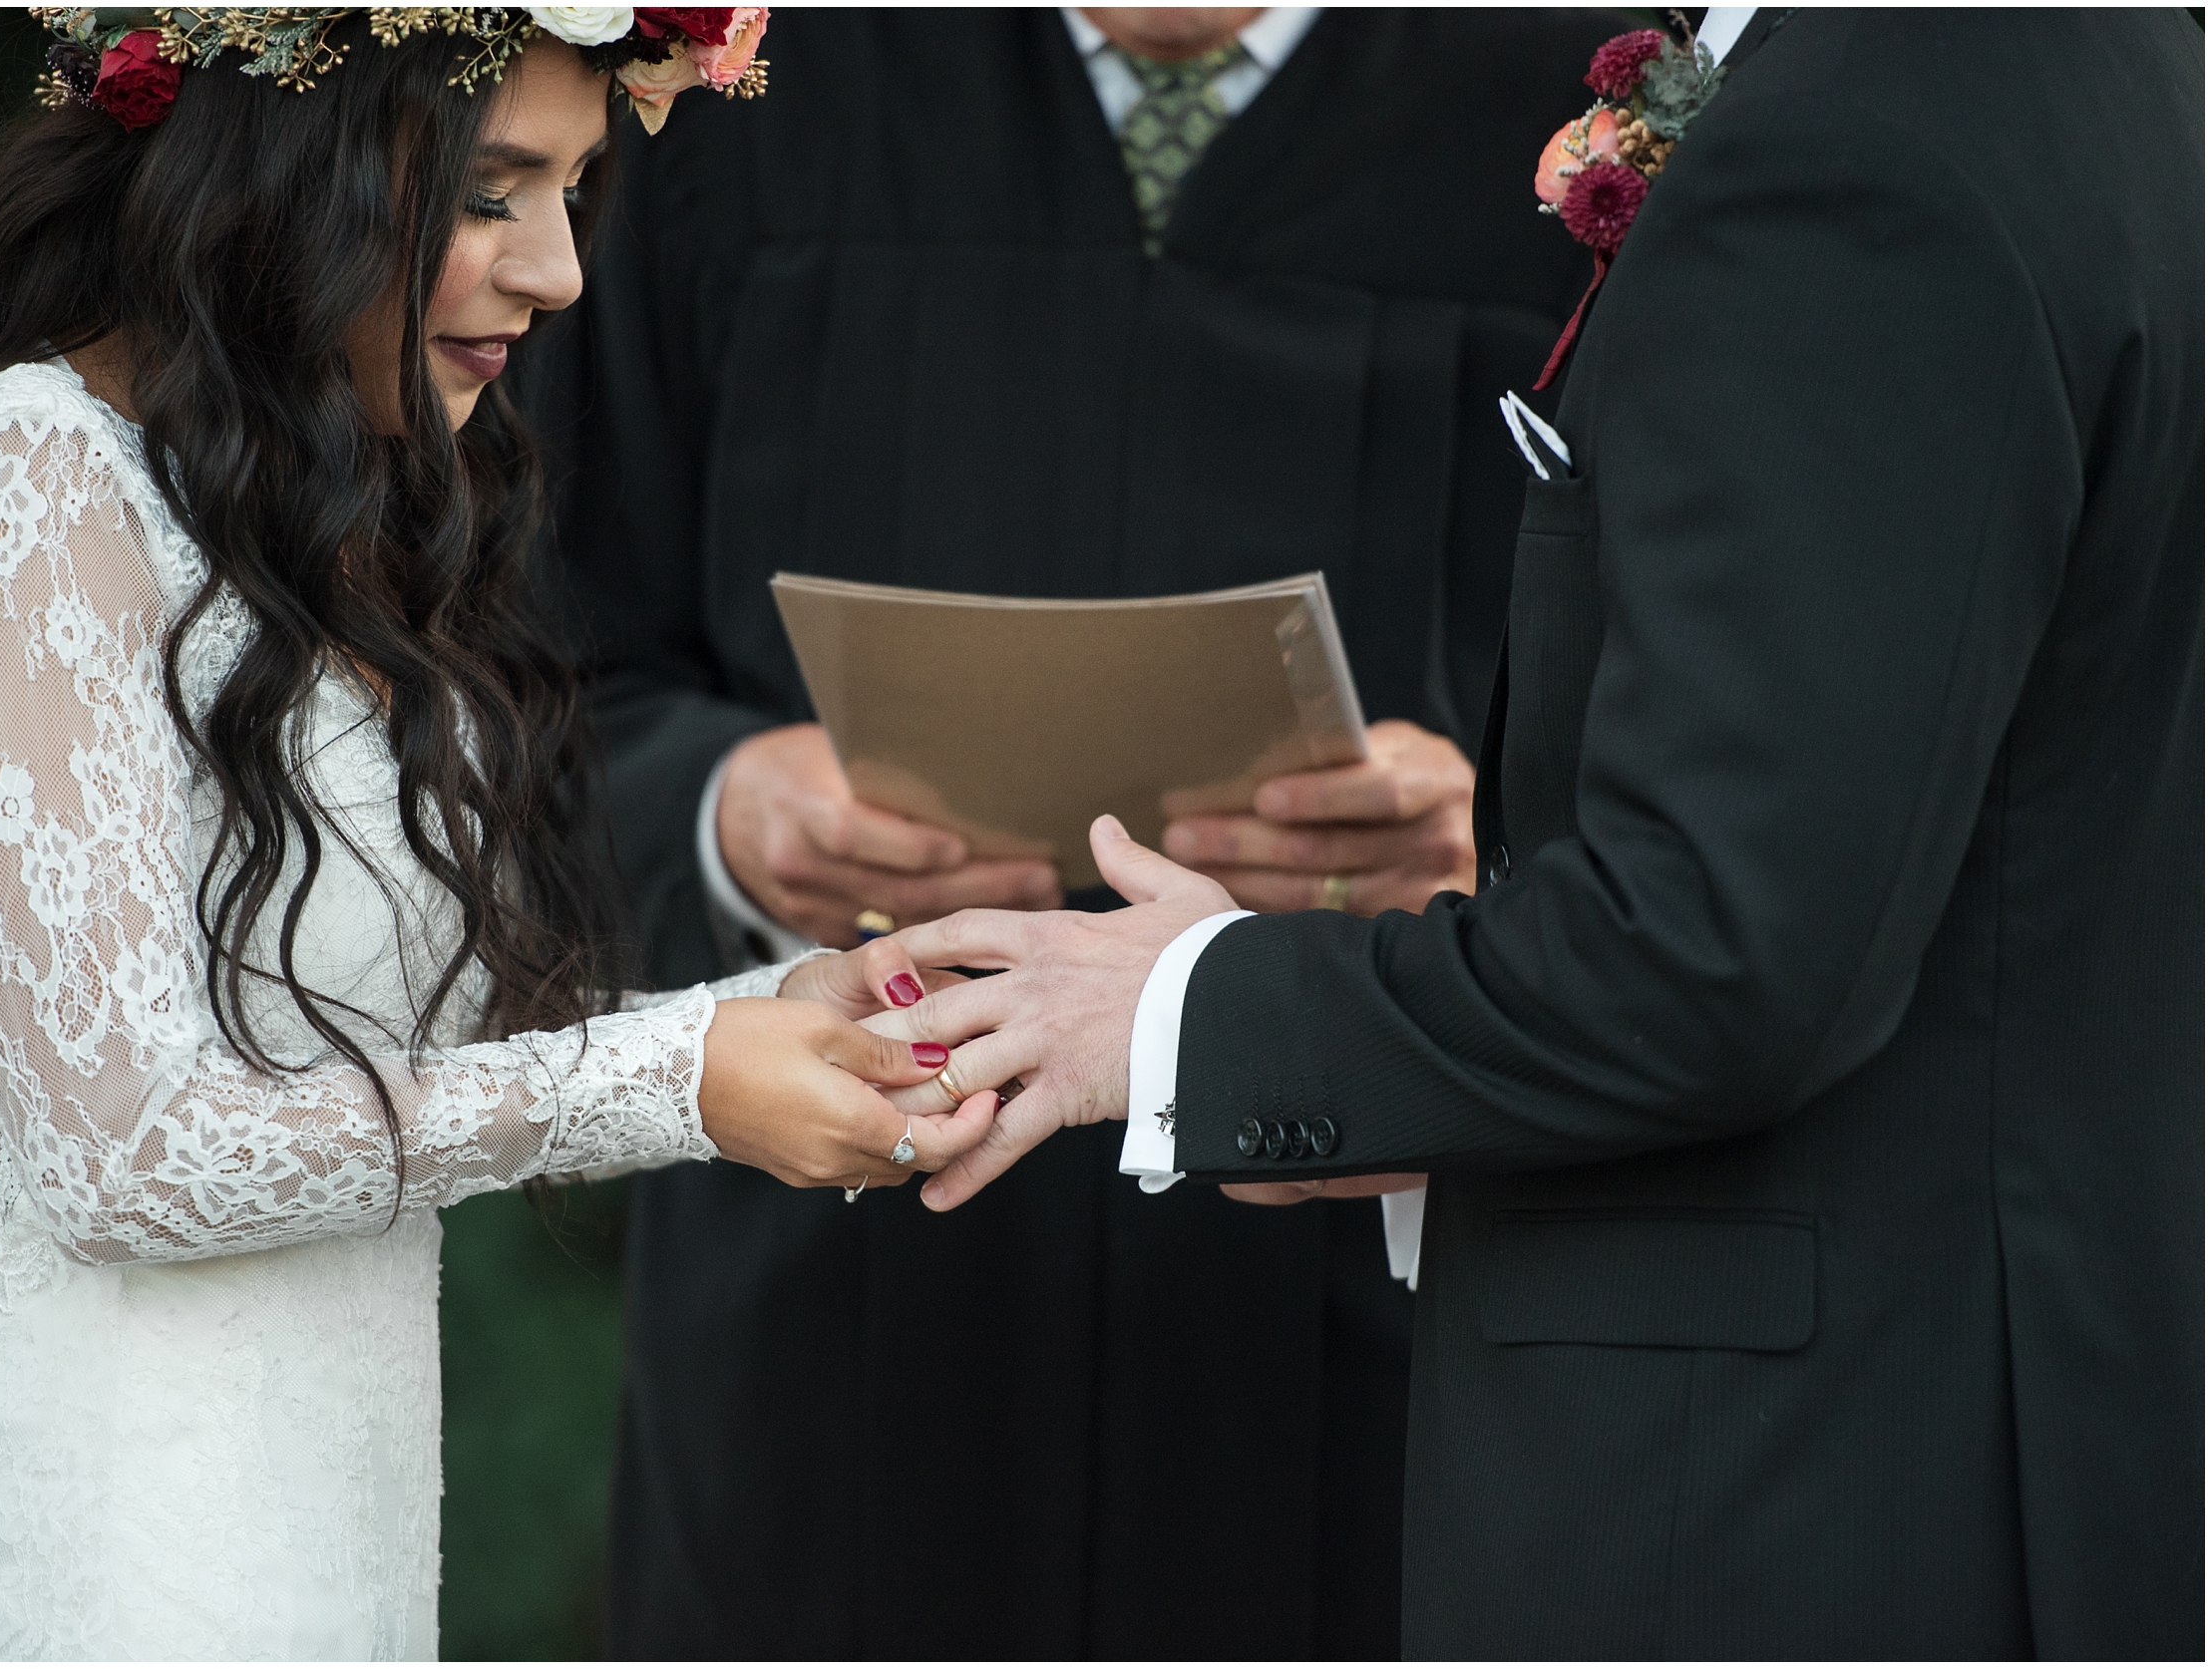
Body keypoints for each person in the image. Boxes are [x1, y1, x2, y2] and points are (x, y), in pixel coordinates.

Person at [879, 7, 2204, 1659]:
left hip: (1801, 1508)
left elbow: (1720, 946)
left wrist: (1174, 1011)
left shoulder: (1854, 141)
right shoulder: (2085, 60)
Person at [0, 10, 989, 1660]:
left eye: (576, 194)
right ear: (282, 169)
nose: (559, 275)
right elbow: (126, 1153)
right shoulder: (20, 487)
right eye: (488, 193)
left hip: (332, 1570)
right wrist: (672, 1085)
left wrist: (739, 1027)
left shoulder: (296, 515)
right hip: (110, 1578)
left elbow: (382, 1064)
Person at [527, 6, 1615, 1655]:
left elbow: (1719, 779)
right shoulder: (751, 94)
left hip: (1360, 1302)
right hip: (839, 1296)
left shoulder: (1578, 124)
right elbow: (520, 681)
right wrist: (720, 809)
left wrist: (1488, 844)